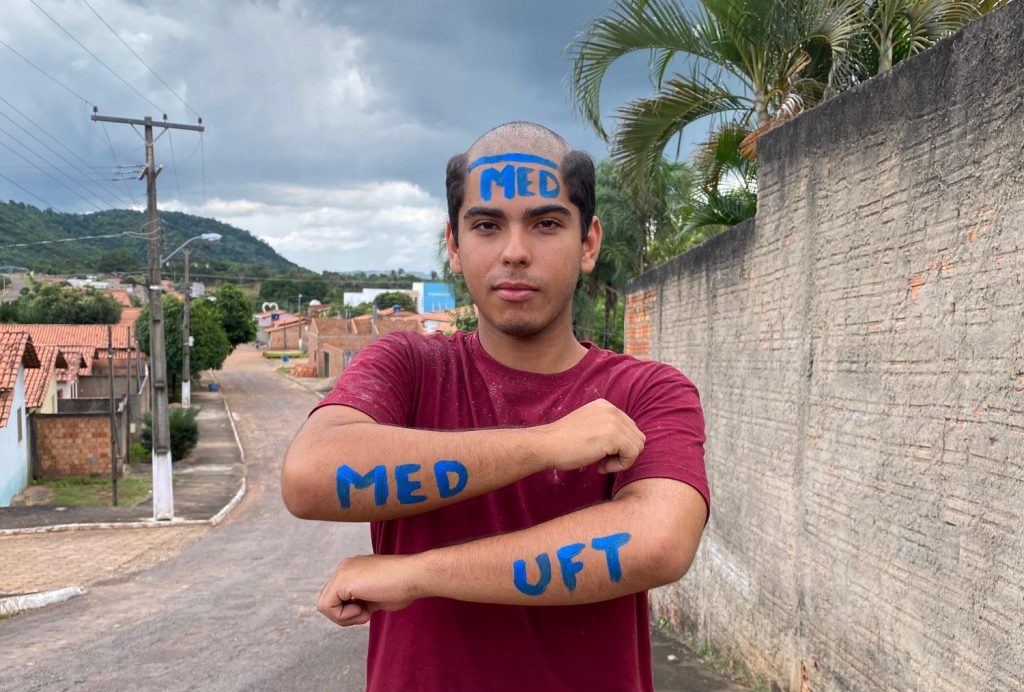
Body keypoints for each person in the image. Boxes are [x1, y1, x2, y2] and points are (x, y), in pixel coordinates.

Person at [282, 121, 709, 691]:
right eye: (486, 225)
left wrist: (418, 574)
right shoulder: (408, 366)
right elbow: (309, 476)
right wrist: (544, 445)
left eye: (546, 224)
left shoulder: (648, 391)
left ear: (588, 243)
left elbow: (659, 542)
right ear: (455, 246)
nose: (515, 252)